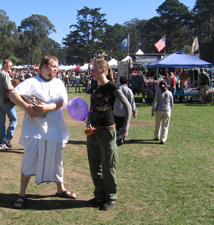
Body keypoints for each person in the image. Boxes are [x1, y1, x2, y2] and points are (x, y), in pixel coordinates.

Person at [9, 55, 76, 209]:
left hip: (54, 128)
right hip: (34, 130)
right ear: (44, 66)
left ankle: (61, 189)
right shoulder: (31, 82)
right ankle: (22, 194)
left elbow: (61, 102)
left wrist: (47, 107)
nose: (56, 70)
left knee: (57, 160)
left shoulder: (59, 83)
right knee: (29, 159)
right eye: (53, 66)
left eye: (57, 67)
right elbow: (13, 94)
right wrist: (27, 107)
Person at [86, 59, 131, 211]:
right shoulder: (93, 86)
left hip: (107, 130)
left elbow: (127, 105)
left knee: (108, 165)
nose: (91, 72)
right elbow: (92, 107)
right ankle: (99, 195)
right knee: (94, 165)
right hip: (92, 131)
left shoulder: (111, 86)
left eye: (94, 70)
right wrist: (89, 121)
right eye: (91, 70)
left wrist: (125, 127)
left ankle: (111, 197)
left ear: (103, 71)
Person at [0, 59, 18, 150]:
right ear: (4, 65)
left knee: (1, 124)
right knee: (14, 120)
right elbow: (8, 87)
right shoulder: (5, 74)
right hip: (6, 102)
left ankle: (1, 143)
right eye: (9, 65)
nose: (11, 67)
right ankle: (7, 138)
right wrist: (16, 88)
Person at [113, 76, 137, 146]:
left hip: (116, 111)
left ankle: (118, 137)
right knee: (124, 125)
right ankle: (122, 138)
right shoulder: (129, 91)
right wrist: (134, 111)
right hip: (125, 112)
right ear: (127, 82)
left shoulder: (116, 89)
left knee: (117, 125)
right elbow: (132, 101)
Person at [151, 80, 174, 144]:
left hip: (158, 110)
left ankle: (156, 136)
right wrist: (170, 109)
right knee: (165, 126)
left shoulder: (158, 93)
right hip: (167, 110)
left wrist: (153, 110)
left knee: (157, 124)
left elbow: (155, 102)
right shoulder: (169, 93)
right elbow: (172, 103)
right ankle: (163, 139)